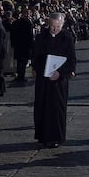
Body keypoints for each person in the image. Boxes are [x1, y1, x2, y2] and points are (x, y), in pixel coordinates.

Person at [32, 12, 76, 148]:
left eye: (58, 26)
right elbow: (35, 58)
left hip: (59, 82)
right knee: (42, 108)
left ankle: (57, 137)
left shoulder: (67, 38)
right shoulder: (40, 38)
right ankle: (43, 137)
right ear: (48, 24)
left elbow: (71, 60)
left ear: (62, 25)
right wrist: (42, 70)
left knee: (57, 110)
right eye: (52, 26)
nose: (55, 29)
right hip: (43, 80)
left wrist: (60, 73)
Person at [10, 6, 34, 82]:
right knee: (23, 62)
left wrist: (13, 43)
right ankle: (21, 76)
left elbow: (12, 34)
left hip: (17, 45)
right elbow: (30, 36)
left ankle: (19, 75)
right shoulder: (28, 23)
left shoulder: (15, 22)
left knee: (19, 61)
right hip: (25, 46)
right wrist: (31, 45)